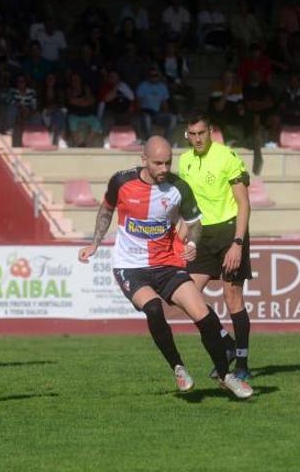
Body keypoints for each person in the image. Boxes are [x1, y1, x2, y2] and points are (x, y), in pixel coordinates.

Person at [77, 137, 253, 399]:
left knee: (203, 314)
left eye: (168, 163)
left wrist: (192, 242)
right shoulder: (121, 181)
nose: (163, 168)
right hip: (130, 265)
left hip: (166, 263)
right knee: (153, 308)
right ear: (144, 160)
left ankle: (225, 375)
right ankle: (178, 367)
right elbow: (106, 210)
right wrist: (94, 244)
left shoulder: (179, 187)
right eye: (158, 163)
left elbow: (194, 223)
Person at [179, 112, 253, 381]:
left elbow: (244, 203)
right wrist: (183, 232)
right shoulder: (185, 161)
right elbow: (189, 206)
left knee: (232, 298)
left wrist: (237, 243)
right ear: (187, 134)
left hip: (230, 231)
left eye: (201, 133)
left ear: (210, 132)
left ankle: (242, 364)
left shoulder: (227, 157)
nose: (197, 139)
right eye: (193, 134)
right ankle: (228, 344)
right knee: (188, 295)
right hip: (202, 235)